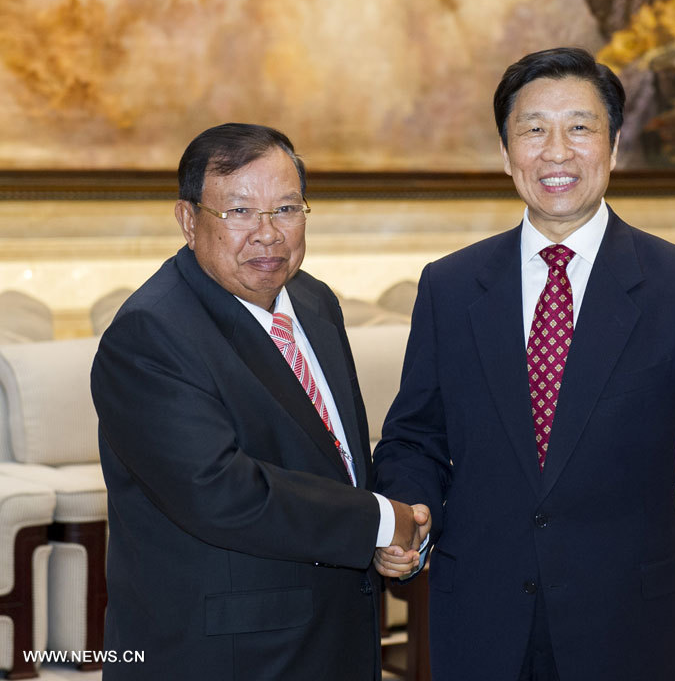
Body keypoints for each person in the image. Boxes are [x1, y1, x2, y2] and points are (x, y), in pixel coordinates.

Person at [372, 48, 675, 680]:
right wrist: (407, 514)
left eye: (580, 127)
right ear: (506, 153)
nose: (557, 151)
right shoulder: (450, 286)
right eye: (534, 129)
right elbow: (415, 435)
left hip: (628, 626)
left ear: (615, 146)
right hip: (480, 621)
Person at [91, 123, 427, 680]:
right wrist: (373, 522)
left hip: (336, 633)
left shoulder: (314, 301)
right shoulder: (152, 334)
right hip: (227, 654)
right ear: (187, 219)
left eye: (287, 209)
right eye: (239, 212)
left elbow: (334, 456)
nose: (268, 234)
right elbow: (220, 493)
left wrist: (386, 533)